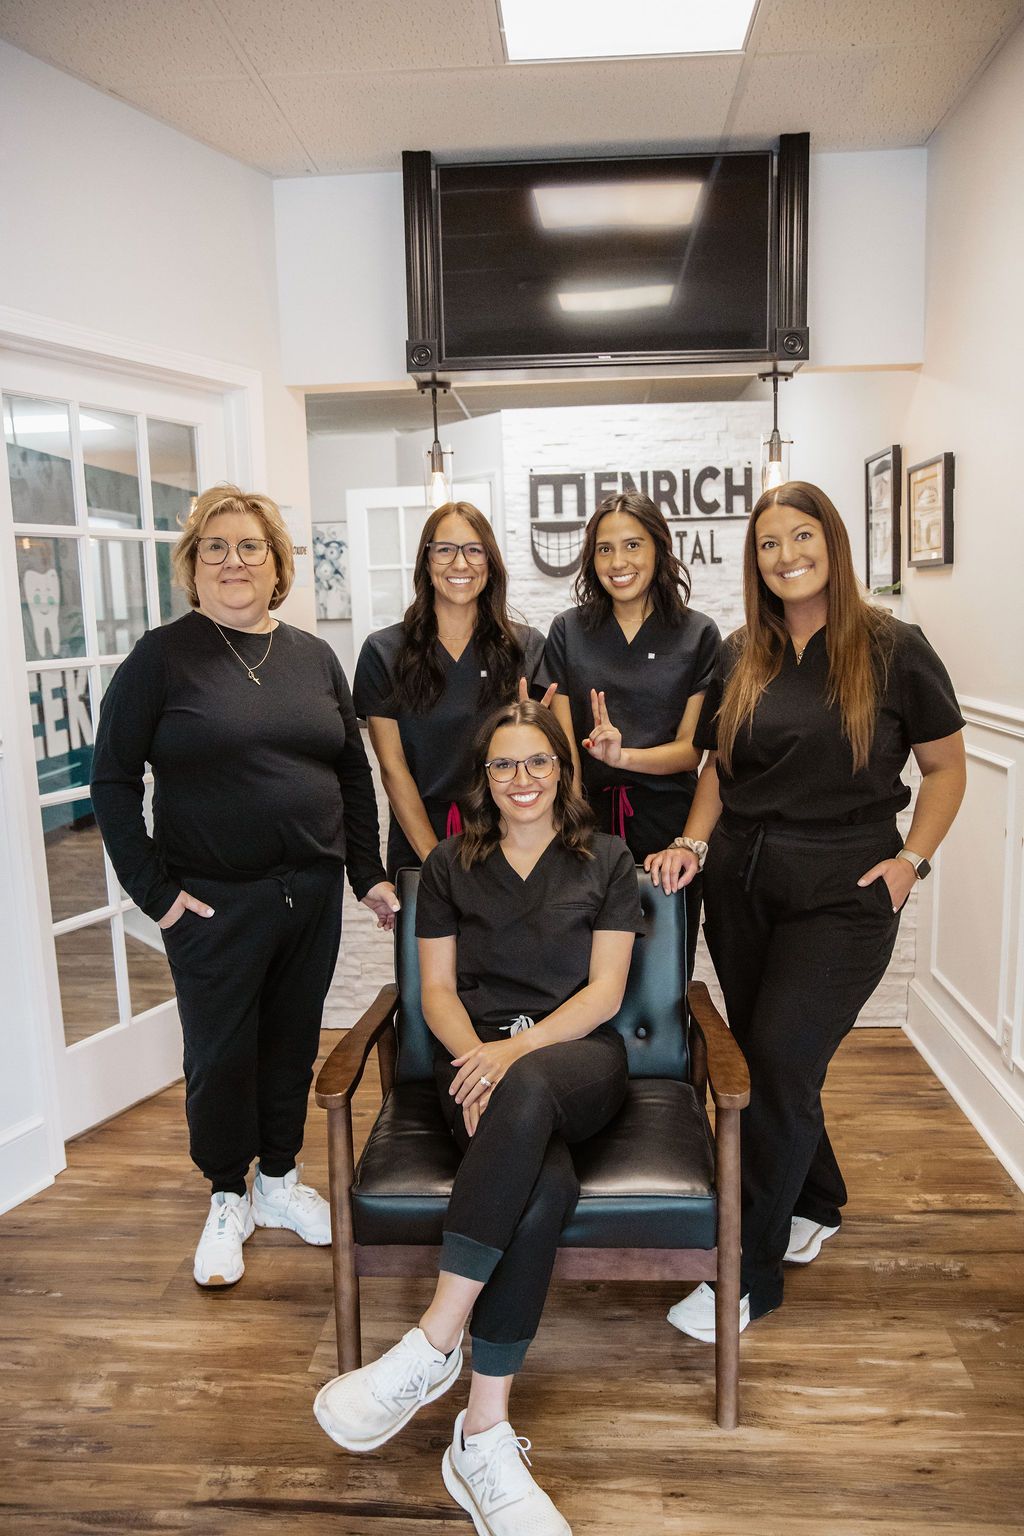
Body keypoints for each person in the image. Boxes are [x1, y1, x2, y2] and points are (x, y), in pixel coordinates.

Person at [314, 701, 644, 1536]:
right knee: (540, 1192)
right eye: (505, 765)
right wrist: (480, 1057)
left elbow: (605, 994)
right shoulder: (451, 866)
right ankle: (482, 1433)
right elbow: (434, 994)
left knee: (529, 1087)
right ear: (484, 780)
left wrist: (510, 1056)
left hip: (580, 1059)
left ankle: (432, 1340)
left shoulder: (605, 857)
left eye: (538, 762)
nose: (522, 779)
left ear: (562, 771)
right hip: (475, 1062)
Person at [646, 480, 966, 1339]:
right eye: (768, 544)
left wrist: (911, 861)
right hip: (744, 884)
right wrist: (693, 844)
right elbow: (716, 766)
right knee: (762, 1059)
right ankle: (816, 1198)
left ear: (832, 543)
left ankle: (744, 1275)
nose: (785, 556)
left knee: (779, 1067)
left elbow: (946, 770)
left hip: (845, 890)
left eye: (801, 538)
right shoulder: (740, 651)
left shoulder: (895, 649)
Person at [90, 485, 399, 1289]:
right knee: (222, 1055)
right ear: (193, 565)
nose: (234, 560)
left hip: (310, 890)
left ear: (277, 565)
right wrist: (155, 895)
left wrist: (362, 871)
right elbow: (114, 781)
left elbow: (350, 774)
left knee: (294, 1041)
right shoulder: (162, 658)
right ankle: (228, 1192)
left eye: (251, 547)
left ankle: (279, 1181)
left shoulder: (312, 656)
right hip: (213, 901)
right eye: (216, 547)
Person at [544, 491, 720, 971]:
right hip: (585, 827)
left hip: (669, 831)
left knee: (661, 971)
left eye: (633, 545)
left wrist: (624, 758)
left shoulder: (697, 633)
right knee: (580, 970)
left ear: (659, 550)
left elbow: (691, 752)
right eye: (604, 549)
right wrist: (569, 828)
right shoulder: (567, 631)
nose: (617, 561)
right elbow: (566, 754)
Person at [353, 501, 553, 881]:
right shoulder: (385, 652)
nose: (460, 564)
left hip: (513, 843)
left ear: (490, 563)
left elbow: (548, 761)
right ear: (426, 562)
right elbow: (393, 770)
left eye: (474, 550)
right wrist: (435, 863)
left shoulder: (525, 648)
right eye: (445, 549)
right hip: (421, 842)